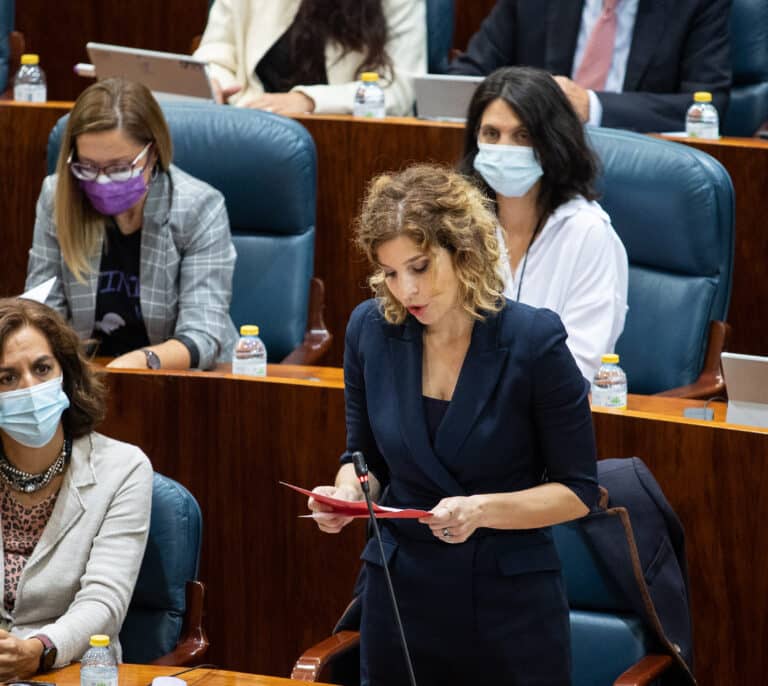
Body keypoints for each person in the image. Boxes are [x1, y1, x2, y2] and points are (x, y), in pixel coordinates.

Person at [307, 164, 599, 686]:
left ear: (463, 252)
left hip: (509, 603)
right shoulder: (369, 331)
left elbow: (578, 492)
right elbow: (363, 458)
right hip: (400, 592)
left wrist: (481, 511)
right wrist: (348, 494)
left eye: (420, 266)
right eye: (391, 273)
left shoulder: (534, 341)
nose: (407, 289)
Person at [25, 78, 237, 371]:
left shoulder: (199, 207)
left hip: (181, 379)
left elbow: (202, 336)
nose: (100, 179)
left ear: (152, 154)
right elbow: (43, 314)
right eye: (87, 166)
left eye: (118, 168)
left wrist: (137, 364)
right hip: (87, 377)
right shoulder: (57, 196)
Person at [0, 297, 152, 679]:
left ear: (65, 372)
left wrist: (38, 650)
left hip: (71, 669)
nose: (29, 388)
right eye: (7, 378)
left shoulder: (124, 469)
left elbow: (103, 603)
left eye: (41, 368)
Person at [459, 66, 627, 380]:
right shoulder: (459, 225)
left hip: (548, 417)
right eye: (491, 134)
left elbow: (580, 364)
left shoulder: (588, 233)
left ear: (552, 142)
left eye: (522, 135)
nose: (505, 148)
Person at [448, 0, 732, 133]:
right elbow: (465, 76)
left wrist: (592, 106)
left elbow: (706, 104)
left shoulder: (695, 5)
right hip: (531, 158)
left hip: (636, 164)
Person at [193, 0, 426, 115]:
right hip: (247, 120)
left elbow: (401, 89)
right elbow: (216, 51)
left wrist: (309, 100)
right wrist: (214, 84)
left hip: (345, 137)